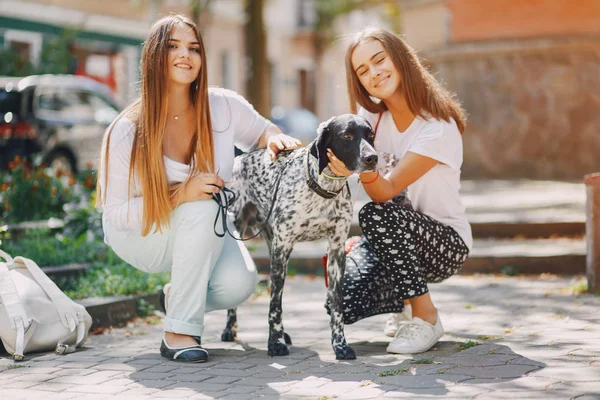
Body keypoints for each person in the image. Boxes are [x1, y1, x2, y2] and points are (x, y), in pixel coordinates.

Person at [96, 14, 300, 363]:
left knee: (238, 285)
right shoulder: (127, 130)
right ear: (153, 56)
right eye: (173, 46)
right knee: (202, 204)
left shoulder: (221, 105)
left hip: (202, 225)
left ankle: (179, 296)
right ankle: (178, 331)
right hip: (141, 233)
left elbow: (263, 131)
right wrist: (180, 194)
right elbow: (115, 213)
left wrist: (277, 140)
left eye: (193, 48)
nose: (185, 55)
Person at [326, 27, 472, 354]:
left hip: (446, 243)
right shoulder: (372, 119)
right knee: (345, 301)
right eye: (363, 70)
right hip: (395, 232)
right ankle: (403, 305)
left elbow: (386, 191)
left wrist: (360, 166)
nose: (374, 73)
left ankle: (426, 316)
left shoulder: (437, 126)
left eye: (379, 60)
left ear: (400, 58)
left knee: (376, 214)